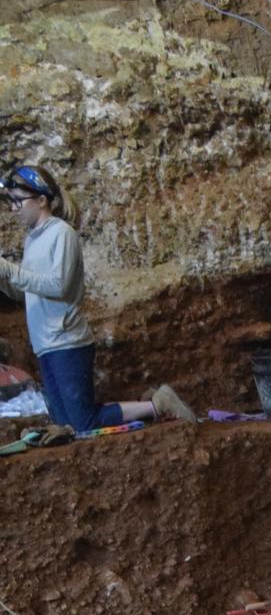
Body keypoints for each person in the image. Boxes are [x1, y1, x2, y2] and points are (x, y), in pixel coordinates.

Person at [0, 164, 195, 434]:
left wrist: (10, 270)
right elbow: (29, 291)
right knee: (62, 422)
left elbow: (59, 286)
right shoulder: (32, 240)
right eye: (11, 202)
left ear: (42, 200)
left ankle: (157, 404)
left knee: (83, 423)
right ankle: (152, 403)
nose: (14, 208)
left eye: (18, 201)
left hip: (67, 340)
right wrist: (5, 281)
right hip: (46, 344)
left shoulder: (61, 233)